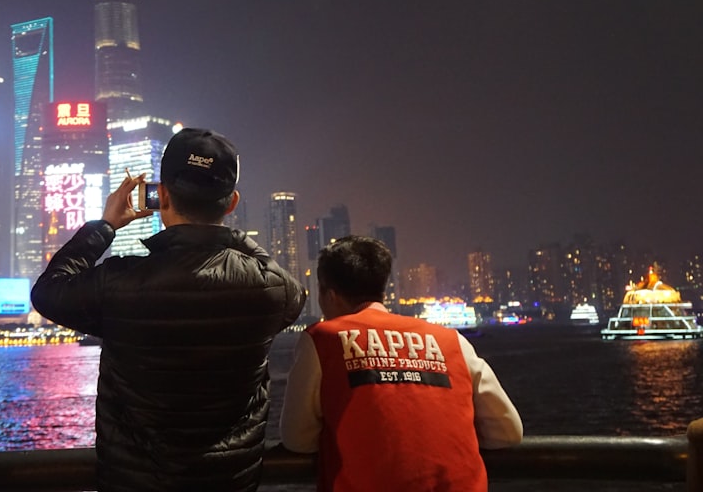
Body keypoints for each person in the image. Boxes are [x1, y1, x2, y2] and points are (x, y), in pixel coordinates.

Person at [32, 127, 307, 492]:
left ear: (160, 196)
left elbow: (48, 292)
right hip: (228, 483)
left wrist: (106, 225)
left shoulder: (119, 282)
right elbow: (293, 290)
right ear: (231, 203)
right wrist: (225, 234)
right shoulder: (268, 287)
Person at [280, 235, 523, 492]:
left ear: (329, 294)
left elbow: (298, 440)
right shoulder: (452, 341)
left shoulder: (322, 340)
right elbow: (507, 432)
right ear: (382, 289)